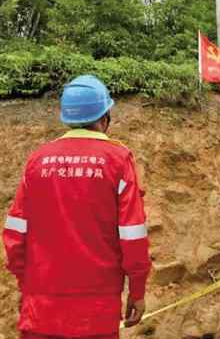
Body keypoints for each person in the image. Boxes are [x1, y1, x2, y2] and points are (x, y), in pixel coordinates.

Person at [3, 74, 151, 339]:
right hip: (96, 311)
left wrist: (26, 286)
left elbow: (15, 235)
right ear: (105, 118)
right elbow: (133, 236)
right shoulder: (118, 161)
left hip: (40, 307)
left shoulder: (37, 161)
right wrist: (137, 291)